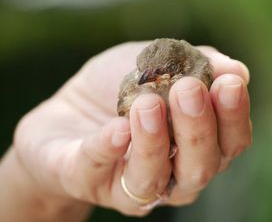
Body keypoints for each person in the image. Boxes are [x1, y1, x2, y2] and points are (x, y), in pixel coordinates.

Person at [0, 41, 252, 221]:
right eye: (142, 70)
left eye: (160, 72)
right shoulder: (135, 89)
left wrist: (31, 178)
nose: (143, 78)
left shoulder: (201, 74)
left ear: (182, 67)